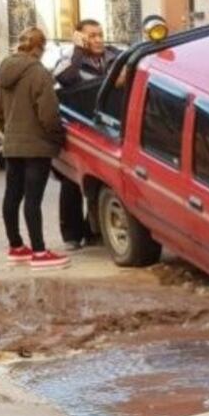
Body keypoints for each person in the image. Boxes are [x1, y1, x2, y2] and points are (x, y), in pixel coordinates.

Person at [0, 26, 70, 269]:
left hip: (13, 144)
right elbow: (48, 113)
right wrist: (57, 136)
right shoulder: (39, 73)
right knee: (33, 199)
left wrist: (10, 133)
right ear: (40, 47)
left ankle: (16, 246)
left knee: (12, 196)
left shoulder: (2, 71)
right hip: (37, 146)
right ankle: (39, 251)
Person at [53, 19, 119, 249]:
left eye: (100, 34)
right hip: (78, 129)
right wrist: (78, 50)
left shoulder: (115, 57)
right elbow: (66, 78)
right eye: (92, 36)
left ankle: (95, 232)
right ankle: (71, 234)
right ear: (79, 37)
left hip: (108, 130)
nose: (99, 39)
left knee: (101, 181)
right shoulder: (69, 59)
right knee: (72, 181)